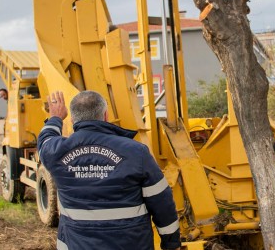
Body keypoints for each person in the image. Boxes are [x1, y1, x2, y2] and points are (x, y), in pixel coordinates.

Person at [37, 91, 181, 250]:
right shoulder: (136, 152)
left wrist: (55, 118)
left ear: (71, 119)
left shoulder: (57, 152)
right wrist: (171, 243)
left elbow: (45, 141)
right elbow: (162, 202)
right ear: (105, 115)